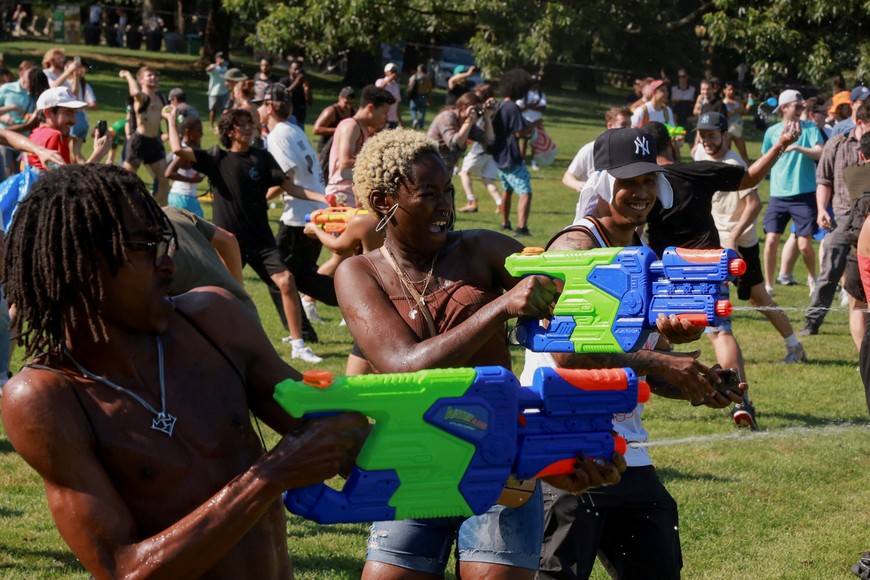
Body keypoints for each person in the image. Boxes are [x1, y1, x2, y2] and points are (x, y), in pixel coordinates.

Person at [0, 163, 369, 579]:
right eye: (145, 246)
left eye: (164, 243)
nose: (168, 265)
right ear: (81, 261)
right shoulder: (44, 397)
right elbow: (123, 569)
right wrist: (268, 476)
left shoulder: (213, 320)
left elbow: (336, 433)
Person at [335, 128, 623, 580]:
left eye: (448, 191)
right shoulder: (358, 272)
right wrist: (500, 307)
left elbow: (578, 297)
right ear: (380, 202)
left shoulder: (482, 249)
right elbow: (402, 364)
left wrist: (652, 325)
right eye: (428, 194)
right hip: (413, 462)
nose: (445, 206)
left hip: (498, 462)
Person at [524, 127, 744, 580]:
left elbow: (654, 360)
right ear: (602, 184)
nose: (641, 193)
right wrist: (662, 362)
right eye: (629, 183)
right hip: (566, 448)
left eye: (648, 180)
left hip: (625, 450)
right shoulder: (576, 247)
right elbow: (568, 355)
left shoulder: (640, 252)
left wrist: (696, 382)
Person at [644, 119, 801, 427]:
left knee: (654, 338)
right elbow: (751, 177)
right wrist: (781, 143)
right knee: (721, 334)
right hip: (705, 267)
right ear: (671, 144)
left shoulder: (642, 183)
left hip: (663, 270)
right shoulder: (696, 170)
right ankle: (739, 401)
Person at [165, 105, 325, 363]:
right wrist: (171, 119)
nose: (249, 127)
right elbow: (178, 150)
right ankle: (221, 345)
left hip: (262, 240)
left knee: (286, 281)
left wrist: (323, 197)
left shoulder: (262, 157)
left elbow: (289, 187)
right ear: (230, 130)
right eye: (242, 124)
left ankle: (298, 345)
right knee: (225, 295)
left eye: (250, 123)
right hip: (228, 242)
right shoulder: (217, 157)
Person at [693, 112, 807, 365]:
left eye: (712, 136)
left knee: (758, 298)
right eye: (702, 136)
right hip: (715, 241)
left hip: (740, 245)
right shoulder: (700, 155)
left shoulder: (734, 166)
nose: (707, 142)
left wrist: (733, 236)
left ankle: (795, 347)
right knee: (718, 299)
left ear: (725, 135)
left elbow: (754, 204)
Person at [257, 83, 337, 335]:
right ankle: (347, 300)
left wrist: (257, 199)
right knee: (303, 277)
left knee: (278, 276)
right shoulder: (294, 129)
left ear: (269, 107)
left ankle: (351, 299)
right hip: (313, 212)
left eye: (261, 104)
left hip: (298, 218)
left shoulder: (278, 135)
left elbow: (285, 178)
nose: (258, 109)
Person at [799, 101, 870, 345]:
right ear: (860, 123)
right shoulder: (837, 143)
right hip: (843, 220)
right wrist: (821, 209)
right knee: (829, 273)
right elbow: (824, 181)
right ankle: (812, 321)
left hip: (869, 223)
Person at [761, 89, 824, 297]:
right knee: (770, 241)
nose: (800, 109)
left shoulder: (810, 128)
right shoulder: (772, 132)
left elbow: (820, 151)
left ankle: (812, 280)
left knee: (805, 245)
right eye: (796, 106)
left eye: (802, 106)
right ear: (784, 108)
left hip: (804, 194)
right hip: (778, 195)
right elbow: (765, 159)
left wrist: (797, 148)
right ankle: (769, 286)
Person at [324, 85, 394, 207]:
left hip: (351, 193)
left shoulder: (364, 129)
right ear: (370, 108)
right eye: (384, 112)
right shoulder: (350, 126)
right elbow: (344, 163)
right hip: (341, 194)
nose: (386, 118)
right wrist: (379, 162)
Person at [562, 106, 631, 216]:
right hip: (591, 211)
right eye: (623, 125)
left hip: (621, 211)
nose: (627, 129)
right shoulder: (591, 149)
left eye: (629, 124)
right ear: (610, 126)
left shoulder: (631, 151)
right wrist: (579, 185)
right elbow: (567, 177)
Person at [492, 68, 536, 236]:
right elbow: (519, 132)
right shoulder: (512, 107)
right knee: (525, 192)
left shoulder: (500, 104)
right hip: (511, 156)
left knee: (508, 190)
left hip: (499, 156)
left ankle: (505, 223)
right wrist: (533, 125)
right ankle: (521, 227)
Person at [119, 66, 170, 205]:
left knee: (164, 180)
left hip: (154, 142)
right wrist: (128, 74)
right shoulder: (141, 97)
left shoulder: (161, 98)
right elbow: (135, 91)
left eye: (155, 75)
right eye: (149, 75)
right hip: (139, 142)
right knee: (127, 181)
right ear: (140, 80)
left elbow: (167, 118)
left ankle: (161, 213)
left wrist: (169, 133)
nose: (153, 77)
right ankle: (122, 209)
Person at [26, 86, 109, 169]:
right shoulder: (54, 135)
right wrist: (98, 154)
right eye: (69, 113)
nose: (74, 120)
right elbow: (68, 180)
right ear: (48, 112)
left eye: (75, 113)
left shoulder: (34, 134)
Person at [457, 83, 504, 214]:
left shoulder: (485, 109)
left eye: (477, 95)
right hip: (494, 150)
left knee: (464, 172)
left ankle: (472, 202)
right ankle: (501, 203)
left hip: (481, 148)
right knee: (487, 178)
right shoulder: (497, 106)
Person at [426, 91, 494, 175]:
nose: (477, 114)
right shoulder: (447, 117)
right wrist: (468, 123)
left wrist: (487, 117)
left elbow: (489, 140)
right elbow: (454, 145)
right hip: (429, 166)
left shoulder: (467, 123)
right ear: (463, 108)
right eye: (475, 110)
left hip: (444, 171)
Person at [49, 57, 97, 164]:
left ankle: (86, 173)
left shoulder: (69, 82)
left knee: (71, 153)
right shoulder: (83, 84)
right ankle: (83, 172)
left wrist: (72, 73)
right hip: (83, 121)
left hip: (72, 118)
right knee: (76, 153)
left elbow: (71, 92)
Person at [165, 116, 205, 217]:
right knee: (200, 229)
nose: (201, 134)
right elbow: (169, 173)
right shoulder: (185, 151)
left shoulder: (186, 148)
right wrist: (192, 180)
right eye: (198, 131)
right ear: (188, 132)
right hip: (184, 197)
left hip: (180, 196)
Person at [279, 60, 312, 129]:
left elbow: (310, 102)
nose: (297, 71)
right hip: (287, 116)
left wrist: (307, 91)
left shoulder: (304, 83)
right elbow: (285, 93)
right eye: (295, 69)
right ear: (290, 70)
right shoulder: (284, 81)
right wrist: (297, 82)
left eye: (299, 69)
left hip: (300, 117)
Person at [722, 80, 749, 163]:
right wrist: (737, 110)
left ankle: (748, 171)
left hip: (737, 129)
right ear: (724, 90)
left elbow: (744, 112)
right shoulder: (723, 103)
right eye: (729, 89)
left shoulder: (738, 100)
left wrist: (749, 103)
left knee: (743, 153)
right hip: (728, 130)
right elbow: (729, 114)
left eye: (733, 89)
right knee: (727, 153)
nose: (732, 91)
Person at [205, 52, 229, 128]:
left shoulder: (225, 68)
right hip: (214, 92)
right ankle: (211, 125)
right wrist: (216, 64)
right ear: (216, 59)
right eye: (219, 57)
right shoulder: (213, 67)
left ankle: (222, 124)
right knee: (213, 110)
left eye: (222, 57)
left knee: (226, 109)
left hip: (224, 91)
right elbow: (207, 70)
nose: (221, 59)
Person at [375, 63, 402, 129]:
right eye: (392, 71)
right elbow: (377, 91)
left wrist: (400, 121)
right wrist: (388, 80)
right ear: (386, 72)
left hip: (393, 119)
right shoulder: (380, 81)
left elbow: (397, 104)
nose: (394, 74)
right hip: (382, 117)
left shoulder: (396, 86)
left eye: (395, 72)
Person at [406, 64, 433, 129]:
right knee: (422, 111)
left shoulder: (414, 76)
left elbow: (409, 85)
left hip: (415, 95)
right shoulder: (427, 78)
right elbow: (430, 89)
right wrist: (429, 99)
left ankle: (415, 119)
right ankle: (421, 125)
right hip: (423, 96)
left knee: (413, 109)